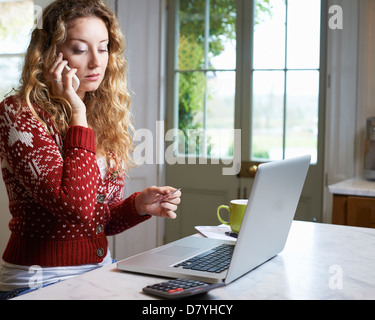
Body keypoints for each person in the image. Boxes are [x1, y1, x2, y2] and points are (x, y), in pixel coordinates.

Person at [0, 0, 181, 299]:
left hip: (98, 272)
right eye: (80, 49)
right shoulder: (19, 113)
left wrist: (137, 206)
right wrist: (77, 113)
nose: (97, 62)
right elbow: (75, 207)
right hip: (38, 282)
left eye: (104, 47)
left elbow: (99, 219)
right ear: (50, 54)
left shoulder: (102, 113)